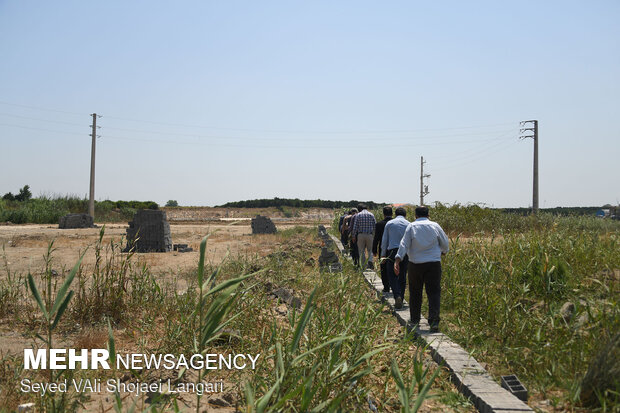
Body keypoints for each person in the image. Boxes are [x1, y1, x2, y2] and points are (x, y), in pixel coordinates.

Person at [394, 206, 449, 332]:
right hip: (433, 264)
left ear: (416, 215)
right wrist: (443, 251)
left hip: (415, 264)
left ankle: (414, 319)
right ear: (428, 215)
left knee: (415, 292)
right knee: (434, 292)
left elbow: (404, 244)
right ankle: (434, 322)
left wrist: (398, 259)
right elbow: (445, 243)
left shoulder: (412, 227)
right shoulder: (435, 226)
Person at [381, 207, 410, 309]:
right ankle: (401, 298)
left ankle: (396, 295)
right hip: (405, 252)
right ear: (405, 215)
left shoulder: (390, 223)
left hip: (392, 251)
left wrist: (383, 255)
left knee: (392, 275)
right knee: (402, 275)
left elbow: (385, 240)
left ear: (395, 214)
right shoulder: (409, 224)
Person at [373, 206, 393, 292]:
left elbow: (376, 238)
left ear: (383, 214)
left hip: (382, 248)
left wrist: (374, 250)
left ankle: (386, 287)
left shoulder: (379, 224)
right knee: (393, 267)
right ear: (392, 214)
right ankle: (393, 285)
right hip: (394, 248)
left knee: (383, 268)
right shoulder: (395, 223)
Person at [351, 204, 376, 269]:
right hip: (369, 235)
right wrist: (374, 235)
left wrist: (353, 236)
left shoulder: (358, 215)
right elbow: (374, 226)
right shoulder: (371, 215)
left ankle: (364, 265)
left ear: (360, 209)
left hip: (361, 235)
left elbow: (355, 227)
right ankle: (370, 261)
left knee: (361, 251)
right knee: (370, 250)